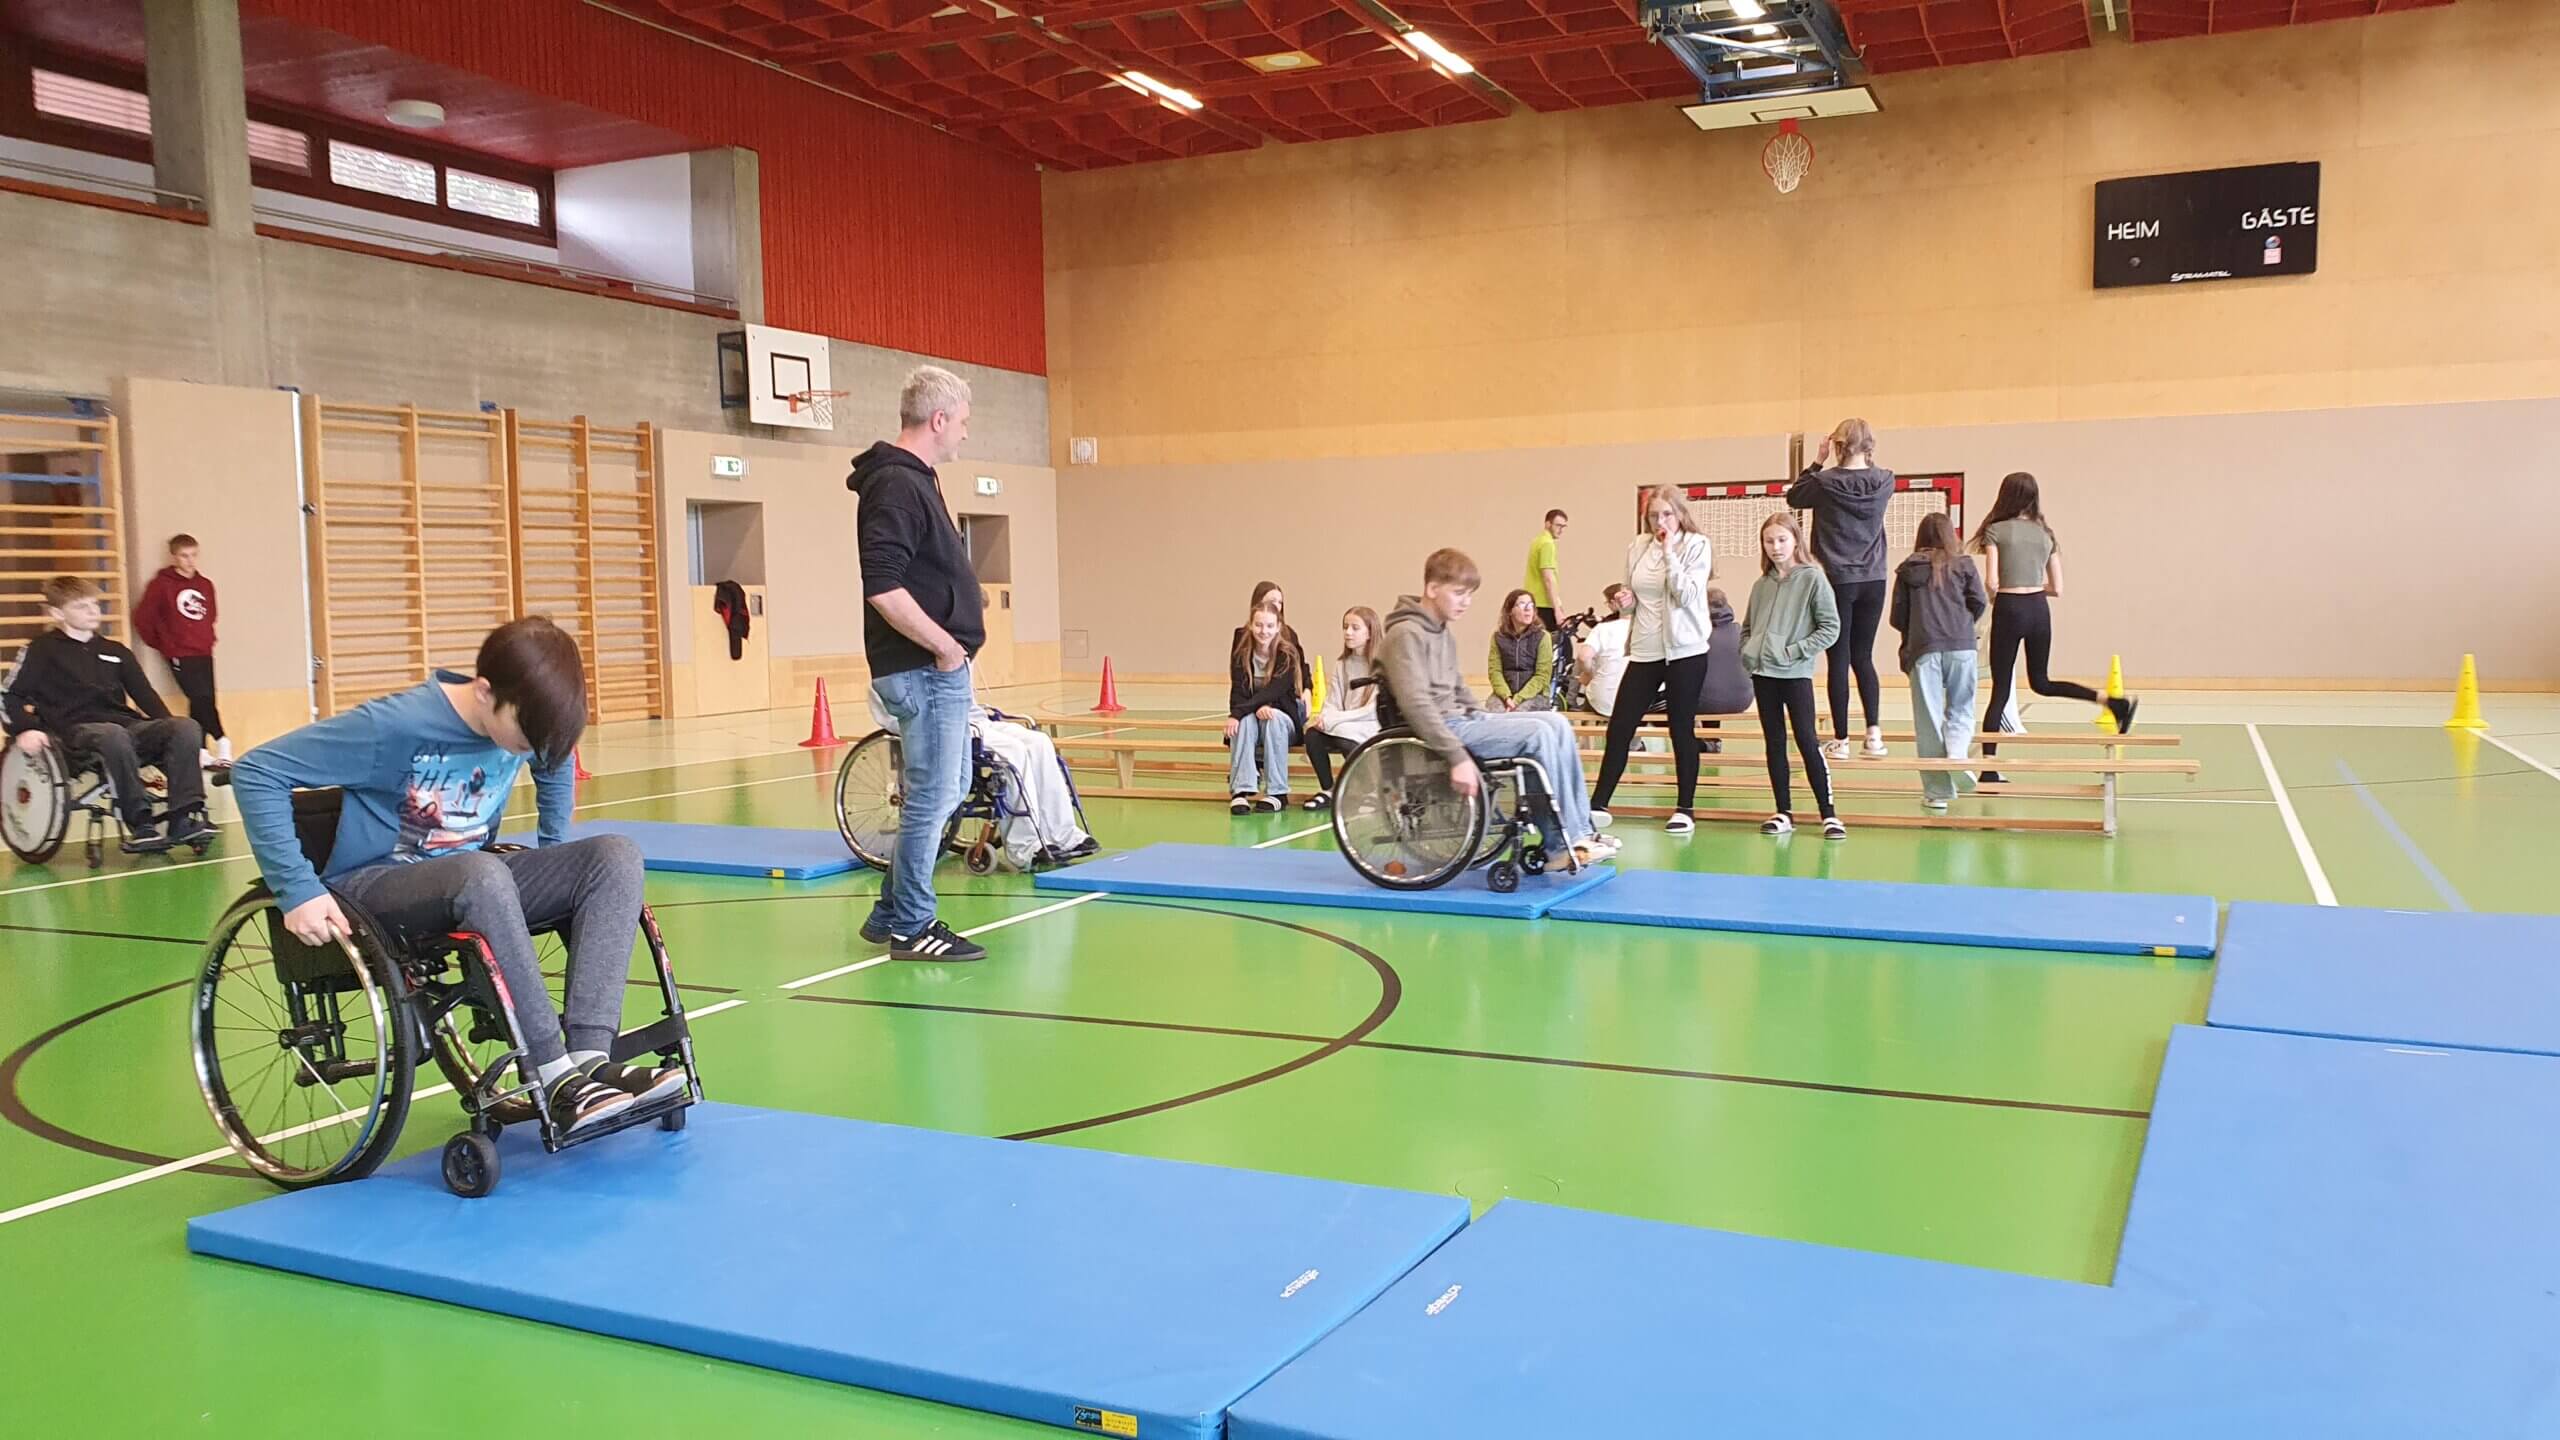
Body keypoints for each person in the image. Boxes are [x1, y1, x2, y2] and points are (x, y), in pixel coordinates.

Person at [228, 617, 679, 1137]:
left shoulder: (527, 725)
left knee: (615, 856)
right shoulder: (396, 725)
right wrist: (297, 889)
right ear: (485, 693)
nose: (530, 752)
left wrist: (555, 859)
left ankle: (589, 1060)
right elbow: (257, 771)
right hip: (377, 886)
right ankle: (552, 1074)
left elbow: (553, 759)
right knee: (480, 872)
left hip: (473, 878)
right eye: (524, 737)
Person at [850, 365, 988, 963]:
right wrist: (943, 645)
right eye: (961, 423)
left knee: (950, 786)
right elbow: (882, 584)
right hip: (925, 670)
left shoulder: (916, 481)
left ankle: (891, 908)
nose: (964, 434)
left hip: (937, 669)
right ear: (938, 420)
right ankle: (912, 923)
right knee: (933, 794)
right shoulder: (898, 486)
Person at [1378, 548, 1618, 865]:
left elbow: (1458, 687)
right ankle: (1561, 844)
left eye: (1470, 595)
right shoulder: (1404, 634)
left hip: (1462, 722)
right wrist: (1457, 757)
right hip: (1437, 733)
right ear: (1432, 589)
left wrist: (1483, 717)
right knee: (1536, 735)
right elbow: (1416, 703)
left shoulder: (1440, 632)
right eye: (1459, 593)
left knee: (1555, 723)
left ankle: (1580, 829)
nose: (1466, 601)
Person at [3, 576, 214, 853]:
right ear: (57, 613)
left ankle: (183, 817)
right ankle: (140, 824)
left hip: (124, 728)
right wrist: (24, 729)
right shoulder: (40, 650)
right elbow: (9, 695)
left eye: (95, 604)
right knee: (112, 734)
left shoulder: (116, 652)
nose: (93, 612)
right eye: (81, 606)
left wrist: (178, 732)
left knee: (185, 726)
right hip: (72, 733)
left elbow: (147, 697)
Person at [1972, 471, 2137, 783]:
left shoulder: (1995, 531)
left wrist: (2001, 593)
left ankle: (1989, 767)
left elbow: (1991, 581)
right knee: (2042, 682)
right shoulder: (2045, 533)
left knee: (2000, 689)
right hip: (2038, 610)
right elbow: (2058, 588)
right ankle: (2111, 701)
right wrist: (2034, 586)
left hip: (2009, 608)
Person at [1590, 485, 1713, 833]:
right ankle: (1598, 804)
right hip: (1646, 650)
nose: (1660, 521)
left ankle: (1684, 807)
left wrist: (1670, 551)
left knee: (1680, 728)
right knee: (1620, 726)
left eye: (1667, 514)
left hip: (1685, 650)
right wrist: (1625, 601)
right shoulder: (1638, 547)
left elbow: (1686, 594)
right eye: (1654, 515)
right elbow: (1636, 599)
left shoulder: (1696, 545)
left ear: (1679, 514)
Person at [1788, 419, 1895, 762]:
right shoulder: (1885, 479)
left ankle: (1842, 738)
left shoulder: (1823, 482)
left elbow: (1794, 497)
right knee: (1863, 656)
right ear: (1869, 446)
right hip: (1874, 578)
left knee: (1839, 657)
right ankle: (1874, 735)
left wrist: (1817, 461)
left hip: (1837, 578)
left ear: (1836, 446)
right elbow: (1870, 471)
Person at [1741, 514, 1844, 840]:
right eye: (1769, 541)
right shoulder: (1761, 586)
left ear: (1796, 540)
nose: (1775, 547)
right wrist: (1748, 651)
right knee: (1774, 743)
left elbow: (1830, 627)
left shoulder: (1813, 578)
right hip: (1763, 675)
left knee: (1806, 739)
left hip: (1795, 673)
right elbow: (1748, 627)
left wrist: (1793, 651)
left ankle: (1828, 814)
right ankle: (1783, 811)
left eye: (1782, 540)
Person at [1890, 513, 1989, 811]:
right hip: (1962, 646)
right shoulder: (1965, 565)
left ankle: (1937, 793)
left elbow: (1897, 616)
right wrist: (1961, 622)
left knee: (1928, 720)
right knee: (1962, 706)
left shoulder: (1908, 569)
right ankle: (1958, 754)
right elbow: (1980, 602)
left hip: (1924, 648)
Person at [135, 533, 227, 766]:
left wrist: (206, 637)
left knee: (203, 699)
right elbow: (143, 618)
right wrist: (165, 644)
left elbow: (210, 614)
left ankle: (201, 750)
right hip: (180, 652)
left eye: (194, 555)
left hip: (203, 649)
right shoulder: (161, 585)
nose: (190, 561)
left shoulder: (205, 584)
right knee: (199, 696)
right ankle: (223, 739)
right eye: (184, 556)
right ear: (174, 557)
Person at [971, 710, 1098, 868]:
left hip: (981, 722)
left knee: (1040, 741)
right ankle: (1023, 846)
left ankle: (1063, 835)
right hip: (956, 727)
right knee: (1013, 749)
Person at [1227, 603, 1305, 813]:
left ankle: (1277, 792)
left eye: (1270, 626)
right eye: (1259, 625)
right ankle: (1241, 790)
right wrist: (1237, 714)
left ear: (1278, 626)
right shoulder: (1242, 654)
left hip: (1282, 719)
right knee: (1242, 722)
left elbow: (1276, 690)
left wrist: (1258, 706)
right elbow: (1238, 691)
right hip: (1252, 716)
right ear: (1251, 626)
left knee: (1274, 719)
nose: (1264, 631)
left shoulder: (1287, 654)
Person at [1302, 606, 1381, 810]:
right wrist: (1324, 718)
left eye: (1355, 628)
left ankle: (1370, 791)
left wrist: (1336, 720)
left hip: (1368, 724)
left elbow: (1371, 711)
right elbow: (1332, 701)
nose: (1348, 632)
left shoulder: (1382, 665)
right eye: (1346, 627)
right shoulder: (1342, 664)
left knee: (1343, 735)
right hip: (1342, 723)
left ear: (1370, 632)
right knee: (1313, 734)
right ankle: (1328, 789)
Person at [1697, 586, 1752, 754]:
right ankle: (1712, 741)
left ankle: (1636, 744)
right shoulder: (1740, 631)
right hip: (1743, 699)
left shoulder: (1697, 635)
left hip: (1706, 701)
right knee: (1714, 685)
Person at [1487, 589, 1556, 712]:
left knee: (1519, 715)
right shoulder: (1498, 637)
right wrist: (1506, 697)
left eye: (1531, 605)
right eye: (1522, 604)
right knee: (1493, 713)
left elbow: (1542, 676)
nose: (1528, 608)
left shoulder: (1543, 637)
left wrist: (1517, 699)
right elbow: (1495, 671)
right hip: (1505, 695)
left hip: (1535, 695)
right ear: (1510, 611)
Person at [1576, 585, 1634, 720]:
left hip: (1603, 701)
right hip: (1640, 701)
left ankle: (1586, 740)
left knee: (1594, 690)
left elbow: (1583, 657)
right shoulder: (1652, 630)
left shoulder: (1603, 628)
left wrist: (1589, 674)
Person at [1523, 509, 1568, 631]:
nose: (1561, 530)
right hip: (1544, 603)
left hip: (1535, 601)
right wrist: (1557, 609)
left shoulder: (1537, 541)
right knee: (1559, 644)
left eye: (1564, 526)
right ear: (1548, 524)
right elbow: (1548, 577)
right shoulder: (1547, 544)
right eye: (1558, 525)